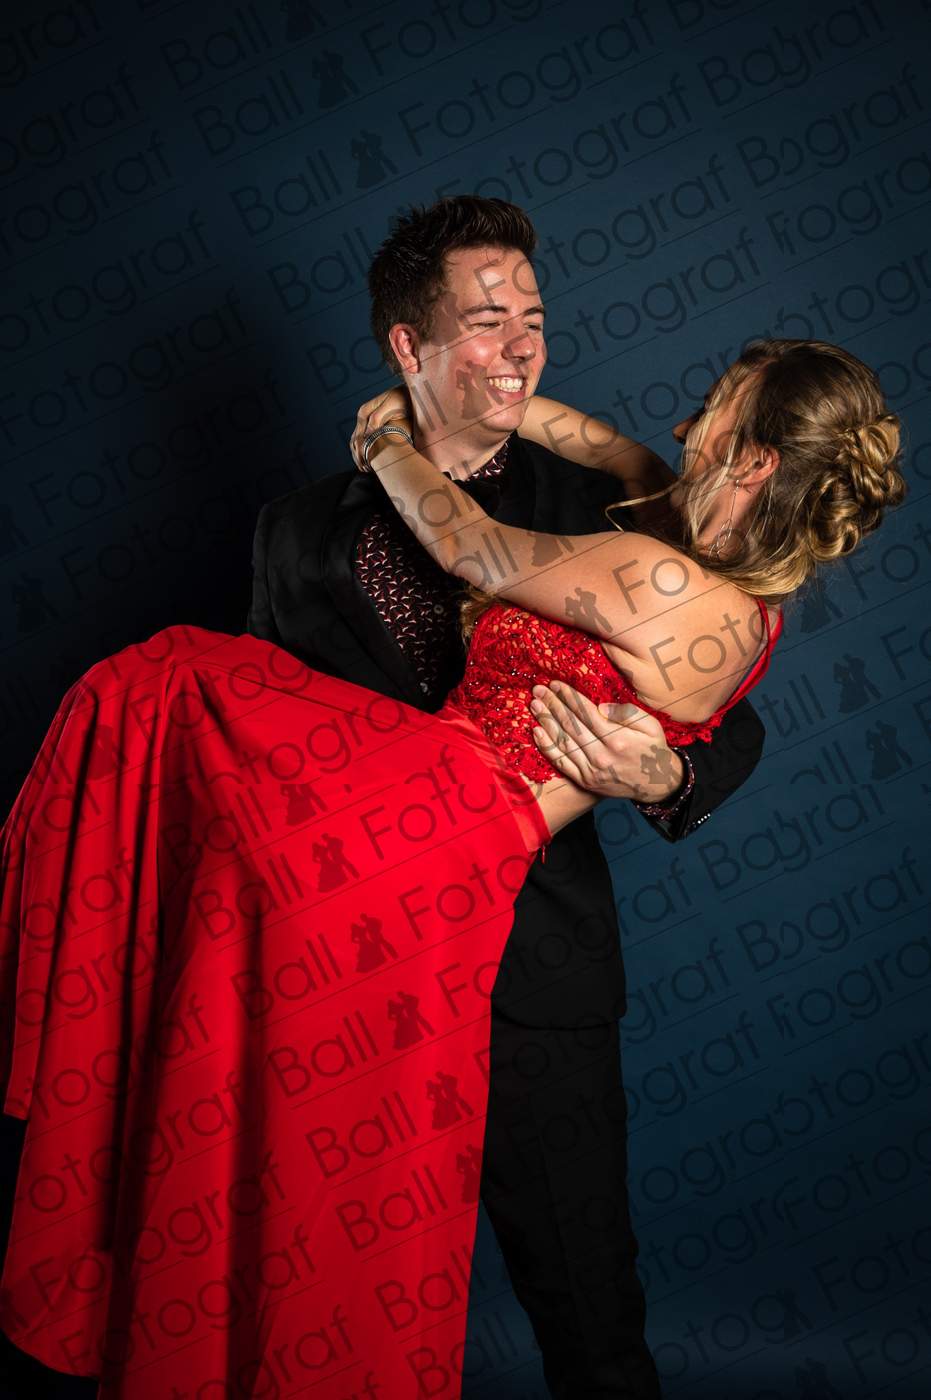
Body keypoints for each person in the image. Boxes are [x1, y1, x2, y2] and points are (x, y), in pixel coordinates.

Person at [0, 324, 904, 1399]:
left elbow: (469, 548)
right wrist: (450, 399)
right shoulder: (737, 605)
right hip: (449, 856)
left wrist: (385, 441)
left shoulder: (655, 571)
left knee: (161, 683)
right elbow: (606, 443)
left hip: (429, 835)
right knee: (299, 1137)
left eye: (711, 410)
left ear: (753, 460)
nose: (681, 422)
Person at [245, 198, 769, 1399]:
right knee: (323, 1289)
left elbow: (729, 697)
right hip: (353, 968)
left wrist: (669, 772)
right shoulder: (290, 533)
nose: (523, 341)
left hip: (536, 968)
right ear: (408, 345)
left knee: (589, 1306)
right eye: (488, 319)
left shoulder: (615, 507)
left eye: (534, 316)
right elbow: (266, 743)